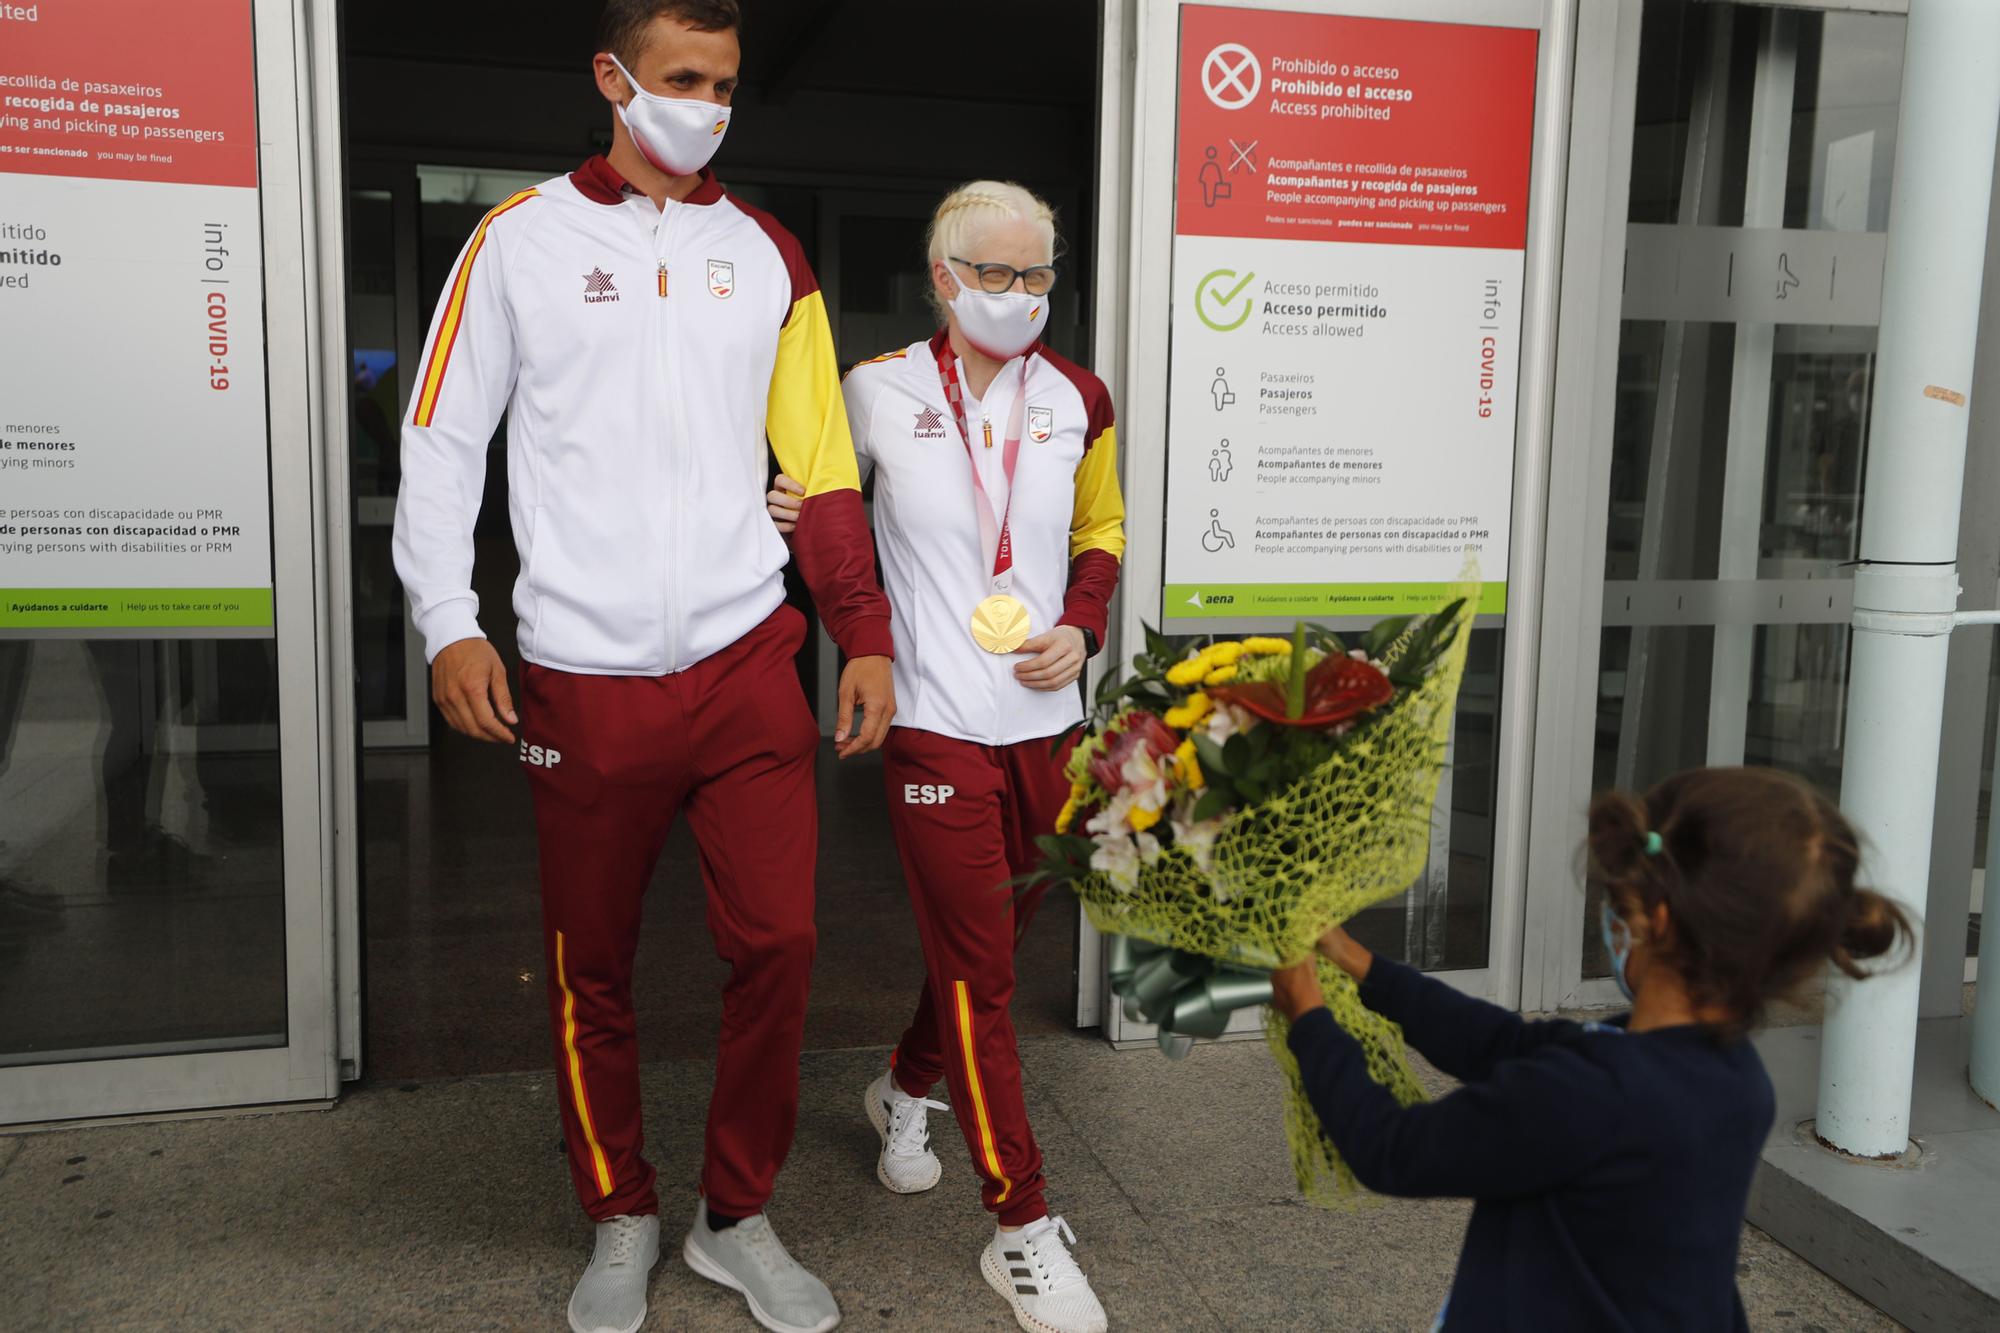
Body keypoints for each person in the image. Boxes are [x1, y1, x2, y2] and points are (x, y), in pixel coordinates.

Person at [391, 4, 895, 1331]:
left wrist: (866, 635)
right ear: (613, 80)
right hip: (585, 674)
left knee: (781, 941)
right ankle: (620, 1209)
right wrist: (450, 614)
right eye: (685, 80)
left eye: (728, 85)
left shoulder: (766, 254)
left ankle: (737, 1217)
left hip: (745, 662)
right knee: (589, 965)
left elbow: (822, 462)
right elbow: (445, 437)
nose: (710, 107)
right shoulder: (520, 243)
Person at [768, 181, 1124, 1333]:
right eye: (997, 273)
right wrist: (790, 509)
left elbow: (1100, 533)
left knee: (992, 943)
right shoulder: (873, 392)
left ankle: (900, 1088)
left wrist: (1082, 624)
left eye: (1036, 276)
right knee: (982, 973)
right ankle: (1020, 1228)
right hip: (929, 720)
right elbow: (820, 507)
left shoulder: (1077, 397)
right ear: (943, 276)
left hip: (1045, 723)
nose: (1020, 295)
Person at [1267, 766, 1915, 1332]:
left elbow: (1394, 1149)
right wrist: (1359, 962)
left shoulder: (1591, 1092)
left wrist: (1309, 1014)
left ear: (1655, 919)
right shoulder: (1730, 1075)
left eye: (1618, 896)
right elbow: (1505, 1044)